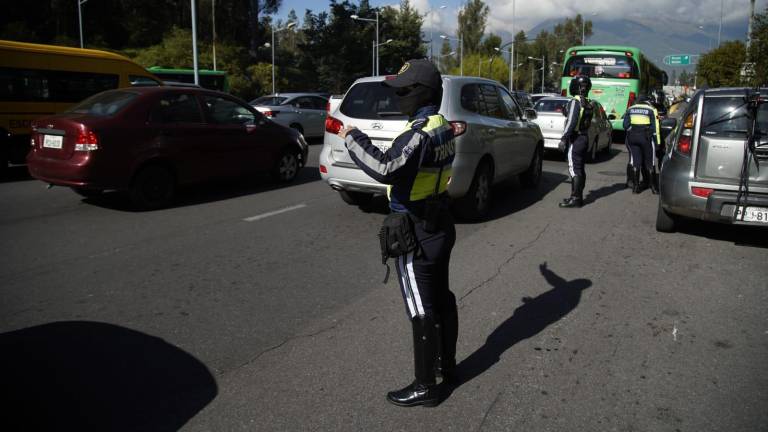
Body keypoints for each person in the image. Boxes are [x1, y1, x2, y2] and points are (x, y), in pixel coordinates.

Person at [337, 59, 458, 408]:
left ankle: (425, 386)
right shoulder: (442, 125)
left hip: (416, 228)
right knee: (441, 297)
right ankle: (446, 367)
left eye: (403, 91)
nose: (397, 97)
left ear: (421, 93)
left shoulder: (418, 133)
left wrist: (352, 136)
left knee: (421, 308)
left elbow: (386, 168)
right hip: (439, 223)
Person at [558, 75, 594, 208]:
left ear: (579, 87)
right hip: (584, 137)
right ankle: (578, 196)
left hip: (576, 139)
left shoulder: (575, 101)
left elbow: (572, 122)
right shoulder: (589, 102)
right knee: (580, 168)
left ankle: (575, 198)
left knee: (574, 169)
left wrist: (563, 138)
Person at [623, 95, 661, 194]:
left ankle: (635, 187)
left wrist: (634, 131)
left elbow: (625, 125)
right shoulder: (651, 109)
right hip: (646, 138)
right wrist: (657, 142)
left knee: (636, 161)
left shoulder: (630, 109)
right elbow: (656, 128)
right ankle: (654, 188)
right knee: (650, 162)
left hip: (632, 137)